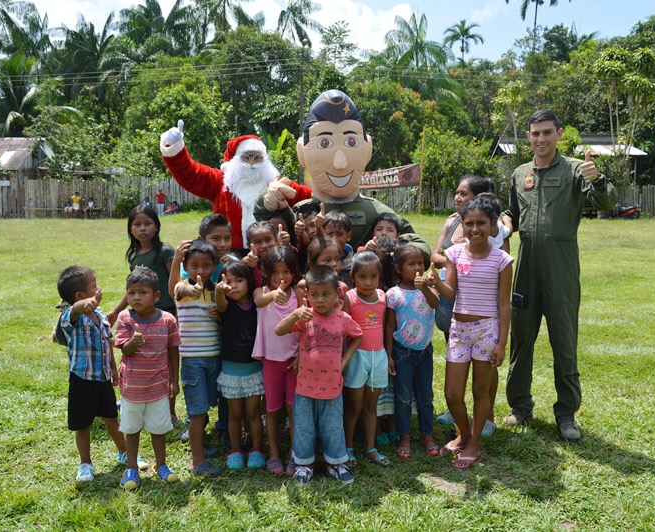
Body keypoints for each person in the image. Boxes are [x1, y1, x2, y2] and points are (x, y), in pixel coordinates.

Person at [503, 110, 618, 442]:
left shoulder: (575, 170)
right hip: (526, 266)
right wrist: (505, 223)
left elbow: (607, 202)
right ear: (528, 137)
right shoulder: (519, 174)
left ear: (559, 133)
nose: (541, 139)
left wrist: (597, 178)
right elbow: (513, 213)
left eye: (547, 133)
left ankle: (566, 414)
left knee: (564, 342)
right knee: (521, 338)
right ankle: (520, 407)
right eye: (535, 133)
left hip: (561, 266)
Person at [256, 89, 430, 261]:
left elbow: (418, 246)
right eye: (324, 143)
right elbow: (257, 233)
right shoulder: (303, 212)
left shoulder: (376, 212)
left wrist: (386, 245)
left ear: (367, 148)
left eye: (351, 141)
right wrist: (266, 203)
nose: (340, 164)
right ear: (302, 152)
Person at [431, 194, 514, 469]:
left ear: (493, 226)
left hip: (487, 331)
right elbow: (450, 292)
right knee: (452, 393)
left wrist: (502, 343)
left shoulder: (502, 260)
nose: (475, 229)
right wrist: (430, 284)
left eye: (481, 223)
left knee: (481, 390)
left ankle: (474, 442)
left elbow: (504, 303)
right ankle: (464, 434)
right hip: (459, 330)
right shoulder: (453, 254)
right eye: (469, 224)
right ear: (462, 226)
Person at [275, 265, 363, 487]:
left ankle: (335, 463)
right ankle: (304, 465)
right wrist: (295, 313)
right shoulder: (305, 316)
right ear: (307, 295)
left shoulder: (343, 318)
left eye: (326, 294)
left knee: (333, 427)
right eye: (315, 295)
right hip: (305, 388)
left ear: (336, 294)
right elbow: (279, 330)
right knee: (304, 428)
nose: (320, 300)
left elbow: (358, 336)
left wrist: (344, 361)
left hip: (333, 387)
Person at [160, 127, 311, 250]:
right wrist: (174, 149)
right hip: (228, 254)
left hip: (268, 252)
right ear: (235, 160)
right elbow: (190, 174)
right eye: (246, 157)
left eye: (257, 157)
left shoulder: (276, 184)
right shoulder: (220, 182)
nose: (252, 162)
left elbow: (309, 197)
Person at [108, 205, 179, 427]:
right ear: (130, 229)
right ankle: (142, 399)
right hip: (140, 316)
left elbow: (175, 280)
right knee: (145, 359)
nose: (142, 229)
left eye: (147, 223)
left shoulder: (165, 251)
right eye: (137, 225)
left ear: (157, 226)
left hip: (165, 314)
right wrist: (116, 311)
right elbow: (133, 287)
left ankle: (170, 410)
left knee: (166, 361)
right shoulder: (134, 254)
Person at [56, 265, 129, 483]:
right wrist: (81, 305)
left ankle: (125, 453)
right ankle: (85, 463)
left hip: (103, 378)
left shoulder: (100, 316)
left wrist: (113, 370)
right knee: (83, 424)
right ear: (80, 295)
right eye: (94, 285)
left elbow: (107, 344)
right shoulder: (70, 318)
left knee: (112, 419)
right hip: (82, 379)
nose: (98, 288)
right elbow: (75, 310)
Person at [114, 268, 181, 489]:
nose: (136, 297)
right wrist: (133, 341)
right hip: (132, 388)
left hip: (158, 387)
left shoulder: (168, 320)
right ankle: (131, 468)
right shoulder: (125, 318)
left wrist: (174, 379)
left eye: (142, 292)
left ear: (157, 296)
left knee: (159, 428)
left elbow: (173, 351)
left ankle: (160, 465)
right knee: (131, 429)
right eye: (131, 293)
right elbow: (125, 351)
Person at [252, 245, 304, 475]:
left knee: (294, 409)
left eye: (286, 272)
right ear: (266, 273)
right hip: (271, 361)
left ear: (294, 272)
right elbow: (259, 302)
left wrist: (302, 354)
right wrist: (273, 294)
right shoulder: (261, 292)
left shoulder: (299, 295)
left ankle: (294, 453)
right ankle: (273, 453)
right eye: (276, 273)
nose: (281, 278)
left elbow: (305, 327)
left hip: (294, 361)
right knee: (272, 409)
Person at [384, 245, 439, 459]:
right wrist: (389, 355)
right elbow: (389, 327)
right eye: (411, 264)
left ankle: (428, 434)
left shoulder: (429, 287)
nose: (418, 268)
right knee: (404, 396)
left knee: (426, 395)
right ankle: (404, 436)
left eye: (421, 263)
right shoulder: (393, 294)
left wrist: (424, 287)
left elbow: (435, 302)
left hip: (425, 351)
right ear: (398, 268)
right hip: (402, 352)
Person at [173, 240, 223, 476]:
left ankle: (199, 444)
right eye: (194, 266)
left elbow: (224, 322)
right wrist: (191, 288)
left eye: (206, 265)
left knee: (207, 406)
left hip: (214, 356)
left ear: (215, 265)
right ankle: (197, 460)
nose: (200, 271)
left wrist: (218, 317)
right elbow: (178, 288)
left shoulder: (216, 291)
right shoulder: (182, 289)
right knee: (198, 410)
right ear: (186, 266)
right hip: (192, 360)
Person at [215, 261, 265, 470]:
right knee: (234, 415)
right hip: (231, 371)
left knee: (253, 414)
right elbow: (219, 302)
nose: (233, 286)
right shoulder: (226, 306)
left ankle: (257, 449)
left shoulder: (257, 305)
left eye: (239, 281)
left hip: (253, 369)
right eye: (228, 281)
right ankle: (235, 449)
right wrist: (219, 291)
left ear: (249, 282)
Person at [342, 251, 389, 468]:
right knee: (354, 406)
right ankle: (348, 447)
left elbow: (386, 326)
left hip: (378, 356)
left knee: (372, 406)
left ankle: (370, 448)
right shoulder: (349, 298)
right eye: (363, 277)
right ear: (353, 276)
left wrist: (388, 356)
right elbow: (343, 330)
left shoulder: (382, 297)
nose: (368, 282)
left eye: (373, 276)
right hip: (357, 357)